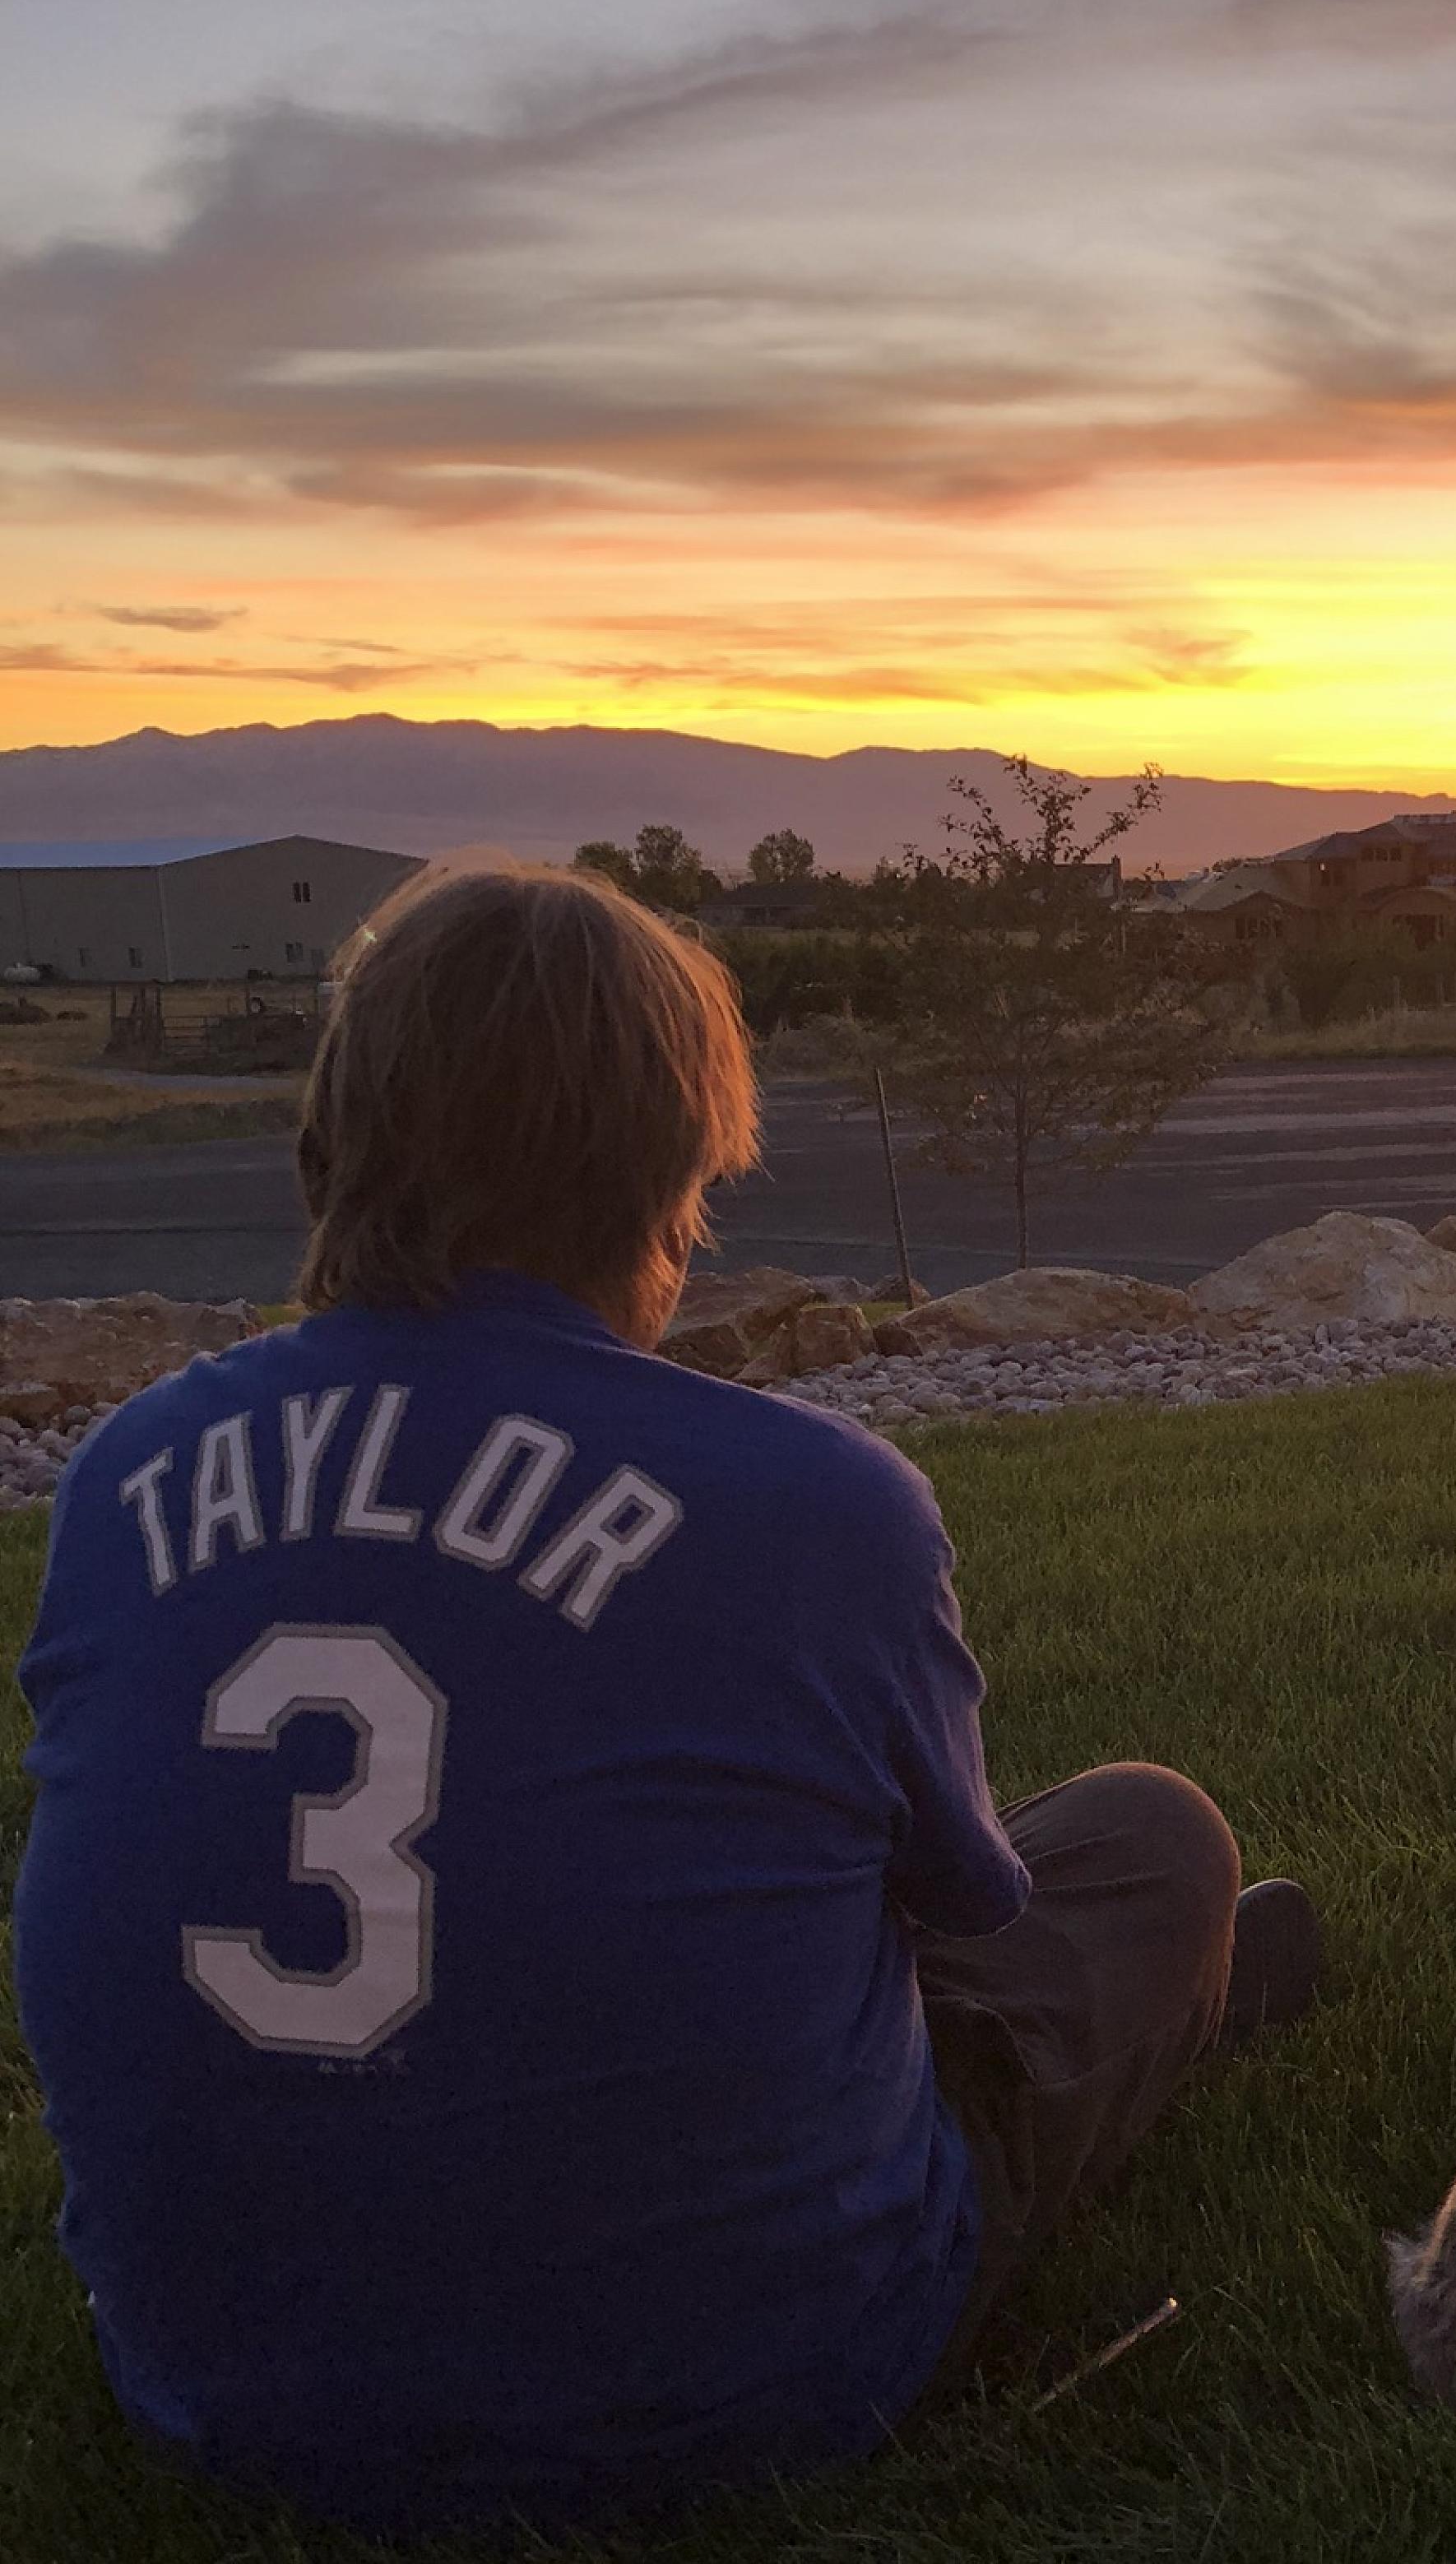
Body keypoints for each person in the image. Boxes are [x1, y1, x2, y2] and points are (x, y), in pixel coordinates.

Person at [13, 864, 1321, 2538]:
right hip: (745, 2385)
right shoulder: (815, 1501)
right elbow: (957, 1909)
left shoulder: (127, 1472)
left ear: (333, 1134)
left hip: (209, 2383)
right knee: (1151, 1837)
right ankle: (1205, 1989)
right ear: (667, 1172)